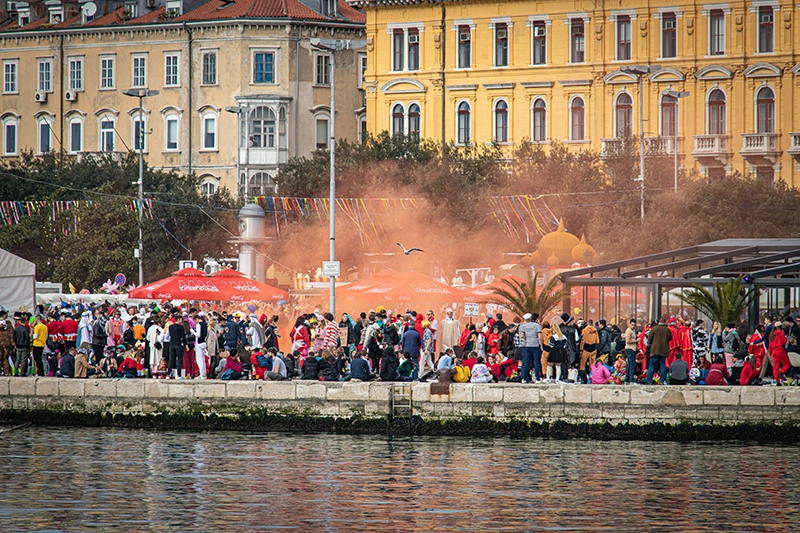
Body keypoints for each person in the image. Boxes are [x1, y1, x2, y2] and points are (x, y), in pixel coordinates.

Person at [518, 313, 543, 383]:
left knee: (526, 362)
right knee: (537, 362)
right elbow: (540, 336)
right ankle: (537, 378)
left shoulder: (525, 326)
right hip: (535, 345)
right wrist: (541, 345)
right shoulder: (537, 326)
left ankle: (523, 378)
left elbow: (522, 335)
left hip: (528, 345)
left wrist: (528, 338)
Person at [646, 318, 672, 384]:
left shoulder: (654, 329)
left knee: (652, 365)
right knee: (662, 365)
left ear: (659, 322)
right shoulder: (667, 330)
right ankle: (662, 380)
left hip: (655, 350)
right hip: (664, 350)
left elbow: (649, 339)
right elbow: (670, 338)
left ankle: (649, 380)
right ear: (664, 322)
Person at [623, 318, 638, 384]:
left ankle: (627, 379)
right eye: (632, 325)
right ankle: (631, 379)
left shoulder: (633, 330)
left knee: (630, 365)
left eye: (634, 325)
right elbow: (627, 341)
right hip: (630, 349)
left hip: (632, 349)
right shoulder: (628, 331)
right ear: (629, 324)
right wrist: (636, 341)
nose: (633, 326)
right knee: (632, 364)